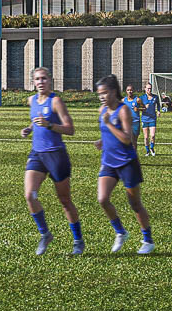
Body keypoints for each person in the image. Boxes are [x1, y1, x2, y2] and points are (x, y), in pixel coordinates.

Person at [19, 67, 84, 256]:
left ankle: (78, 240)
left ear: (50, 81)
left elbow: (70, 129)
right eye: (37, 79)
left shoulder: (55, 101)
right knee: (30, 195)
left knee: (64, 200)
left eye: (44, 79)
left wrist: (49, 125)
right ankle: (45, 234)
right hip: (37, 154)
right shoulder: (31, 100)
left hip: (56, 155)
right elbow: (36, 119)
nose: (41, 82)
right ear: (33, 82)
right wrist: (29, 129)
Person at [94, 75, 155, 254]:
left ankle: (148, 240)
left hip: (127, 162)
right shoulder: (102, 110)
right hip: (109, 162)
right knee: (102, 199)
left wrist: (109, 124)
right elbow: (109, 135)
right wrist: (102, 142)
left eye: (104, 93)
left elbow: (127, 139)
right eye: (99, 94)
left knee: (134, 203)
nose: (102, 97)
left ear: (113, 92)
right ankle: (120, 232)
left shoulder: (123, 111)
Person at [138, 86, 162, 156]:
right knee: (146, 137)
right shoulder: (142, 98)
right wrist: (144, 107)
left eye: (150, 88)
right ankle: (147, 150)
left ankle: (152, 148)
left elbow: (158, 105)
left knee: (153, 135)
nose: (149, 90)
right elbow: (138, 107)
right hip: (145, 119)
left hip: (152, 118)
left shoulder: (155, 97)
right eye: (148, 88)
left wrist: (158, 111)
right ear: (145, 89)